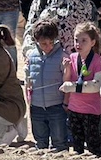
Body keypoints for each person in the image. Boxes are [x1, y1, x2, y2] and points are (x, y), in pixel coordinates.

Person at [60, 22, 101, 157]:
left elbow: (96, 86)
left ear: (93, 42)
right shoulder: (72, 57)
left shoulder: (98, 60)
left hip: (91, 110)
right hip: (74, 108)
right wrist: (67, 69)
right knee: (77, 146)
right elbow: (66, 82)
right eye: (76, 40)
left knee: (93, 147)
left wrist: (72, 87)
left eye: (84, 40)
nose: (78, 44)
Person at [25, 20, 68, 151]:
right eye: (43, 43)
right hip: (37, 106)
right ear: (36, 41)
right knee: (40, 140)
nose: (48, 46)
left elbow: (67, 81)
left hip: (56, 105)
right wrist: (30, 101)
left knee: (59, 141)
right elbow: (28, 81)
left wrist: (65, 102)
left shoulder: (62, 56)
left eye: (51, 42)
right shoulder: (32, 56)